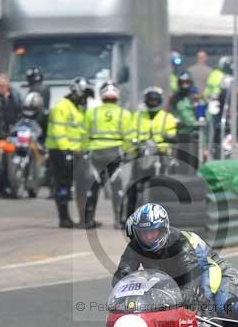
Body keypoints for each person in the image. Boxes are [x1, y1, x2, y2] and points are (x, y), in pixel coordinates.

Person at [113, 203, 238, 327]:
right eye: (144, 233)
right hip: (181, 279)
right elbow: (122, 275)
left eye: (153, 232)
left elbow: (192, 282)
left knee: (221, 305)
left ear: (163, 229)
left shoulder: (179, 243)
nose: (148, 238)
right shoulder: (136, 245)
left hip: (215, 270)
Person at [82, 80, 135, 229]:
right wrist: (127, 153)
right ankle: (118, 221)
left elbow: (84, 134)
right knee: (117, 186)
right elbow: (129, 137)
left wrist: (85, 152)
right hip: (115, 153)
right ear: (117, 95)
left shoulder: (92, 112)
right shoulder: (124, 113)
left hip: (95, 153)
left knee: (93, 186)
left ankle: (88, 220)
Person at [124, 86, 178, 219]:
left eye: (155, 100)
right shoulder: (137, 116)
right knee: (133, 185)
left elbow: (172, 134)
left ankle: (168, 215)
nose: (153, 102)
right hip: (141, 154)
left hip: (161, 155)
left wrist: (165, 144)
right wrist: (132, 144)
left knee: (167, 184)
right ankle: (128, 217)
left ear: (159, 101)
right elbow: (129, 134)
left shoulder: (167, 117)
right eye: (150, 100)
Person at [46, 77, 92, 228]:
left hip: (77, 152)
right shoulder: (61, 107)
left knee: (83, 184)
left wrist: (85, 149)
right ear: (76, 93)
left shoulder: (79, 108)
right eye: (84, 95)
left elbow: (82, 132)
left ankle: (84, 218)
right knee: (63, 183)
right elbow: (58, 131)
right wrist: (65, 149)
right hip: (60, 151)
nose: (85, 99)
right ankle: (64, 217)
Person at [168, 71, 202, 171]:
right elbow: (171, 113)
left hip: (195, 134)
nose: (185, 85)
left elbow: (204, 115)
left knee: (194, 164)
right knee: (181, 164)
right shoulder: (175, 98)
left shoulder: (195, 97)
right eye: (182, 83)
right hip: (180, 134)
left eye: (187, 83)